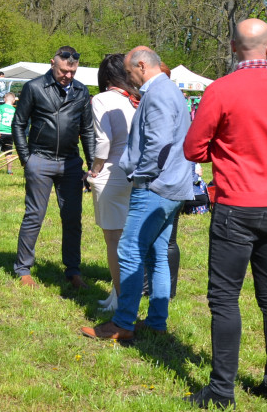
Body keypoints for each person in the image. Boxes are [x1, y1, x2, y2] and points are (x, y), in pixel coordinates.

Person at [181, 19, 267, 410]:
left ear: (234, 47)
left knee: (224, 298)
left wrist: (224, 148)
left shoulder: (220, 90)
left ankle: (221, 392)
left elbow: (193, 148)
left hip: (237, 203)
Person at [81, 46, 193, 341]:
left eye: (130, 73)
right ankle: (156, 321)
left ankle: (123, 323)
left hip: (155, 187)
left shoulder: (156, 94)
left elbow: (157, 144)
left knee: (129, 251)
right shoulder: (172, 91)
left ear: (142, 66)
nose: (129, 80)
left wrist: (140, 175)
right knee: (157, 255)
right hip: (174, 186)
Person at [11, 46, 94, 288]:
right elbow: (19, 124)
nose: (68, 75)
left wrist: (90, 165)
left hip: (70, 163)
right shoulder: (34, 87)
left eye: (72, 71)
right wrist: (27, 158)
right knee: (34, 215)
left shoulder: (81, 92)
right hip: (40, 159)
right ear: (52, 63)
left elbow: (87, 130)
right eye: (63, 70)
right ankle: (23, 268)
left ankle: (73, 271)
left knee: (72, 218)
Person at [86, 54, 140, 313]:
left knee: (113, 240)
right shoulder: (136, 101)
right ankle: (118, 294)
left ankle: (120, 299)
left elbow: (103, 142)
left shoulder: (101, 99)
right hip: (136, 173)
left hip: (111, 174)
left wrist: (94, 170)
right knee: (130, 240)